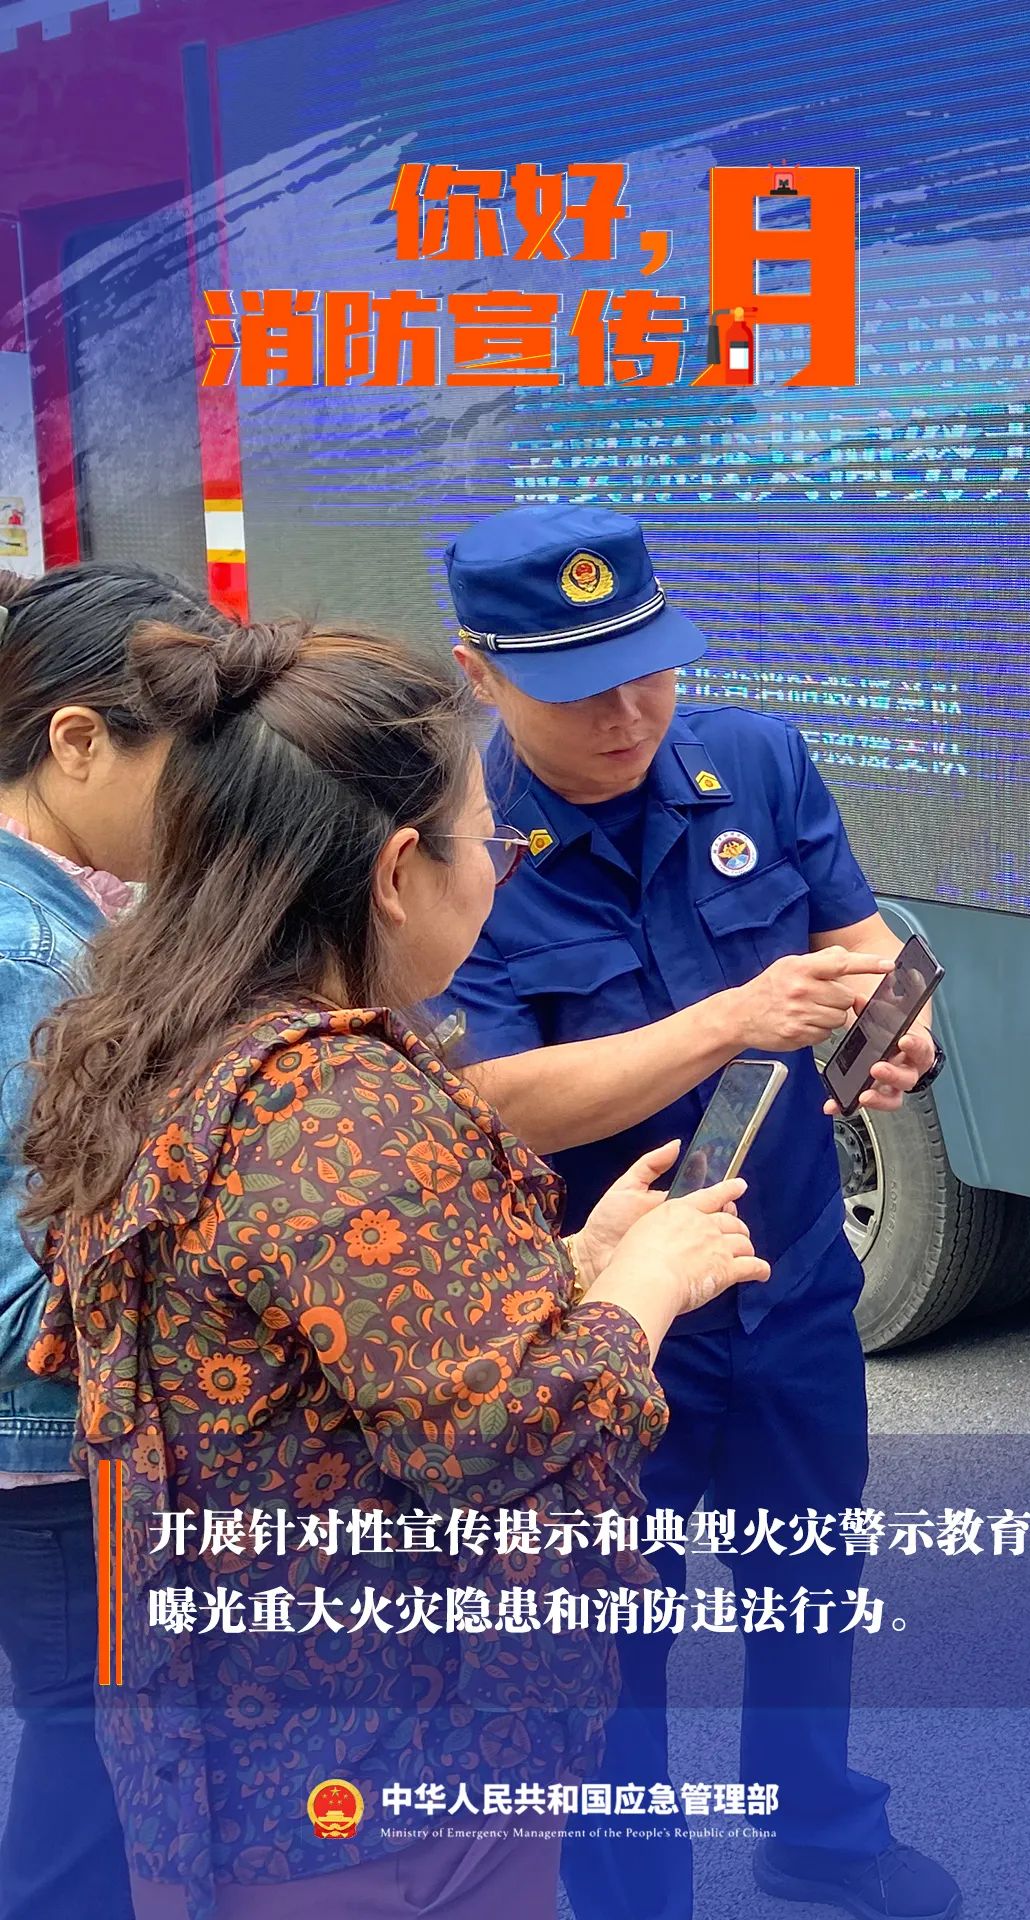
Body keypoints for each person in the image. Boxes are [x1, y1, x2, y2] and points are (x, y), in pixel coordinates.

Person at [21, 614, 768, 1920]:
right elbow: (502, 1435)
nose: (499, 874)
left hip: (224, 1755)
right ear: (396, 871)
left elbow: (321, 1350)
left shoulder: (169, 1036)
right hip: (376, 1784)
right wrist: (644, 1289)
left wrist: (571, 1262)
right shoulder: (345, 1106)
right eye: (490, 842)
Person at [435, 504, 960, 1920]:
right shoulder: (455, 840)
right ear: (482, 671)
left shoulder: (756, 761)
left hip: (788, 1283)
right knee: (615, 1638)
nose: (629, 716)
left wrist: (892, 1025)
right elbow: (491, 1100)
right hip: (604, 1314)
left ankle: (819, 1832)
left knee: (809, 1582)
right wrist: (731, 1019)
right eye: (578, 688)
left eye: (647, 669)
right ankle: (631, 1896)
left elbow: (856, 934)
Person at [0, 563, 231, 1920]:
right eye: (187, 763)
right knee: (91, 1748)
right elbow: (22, 1283)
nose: (206, 803)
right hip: (44, 1449)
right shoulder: (32, 955)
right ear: (77, 740)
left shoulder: (55, 909)